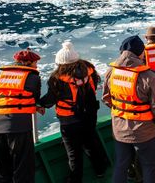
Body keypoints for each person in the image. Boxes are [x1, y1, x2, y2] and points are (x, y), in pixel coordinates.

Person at [39, 41, 107, 183]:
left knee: (73, 152)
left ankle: (75, 179)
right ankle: (100, 170)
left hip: (69, 120)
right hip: (89, 115)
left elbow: (50, 100)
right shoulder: (90, 70)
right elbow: (96, 84)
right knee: (91, 143)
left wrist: (39, 104)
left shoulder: (57, 79)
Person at [102, 35, 155, 183]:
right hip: (144, 130)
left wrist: (120, 111)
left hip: (119, 128)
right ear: (140, 53)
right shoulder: (147, 75)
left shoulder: (111, 72)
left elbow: (106, 98)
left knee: (121, 164)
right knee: (149, 165)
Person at [0, 48, 41, 183]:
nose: (37, 66)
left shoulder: (2, 76)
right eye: (35, 62)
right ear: (28, 62)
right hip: (19, 127)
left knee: (3, 172)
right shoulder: (33, 77)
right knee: (23, 170)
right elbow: (35, 98)